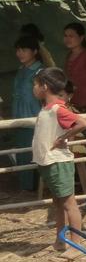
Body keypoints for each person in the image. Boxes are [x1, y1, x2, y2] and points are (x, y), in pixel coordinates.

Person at [32, 68, 86, 259]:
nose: (34, 88)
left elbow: (83, 123)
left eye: (36, 84)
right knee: (58, 203)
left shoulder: (58, 109)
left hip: (58, 162)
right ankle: (61, 239)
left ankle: (76, 244)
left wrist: (63, 137)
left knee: (69, 204)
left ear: (45, 86)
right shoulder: (46, 108)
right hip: (49, 162)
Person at [12, 35, 44, 191]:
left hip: (34, 120)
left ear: (35, 51)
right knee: (22, 154)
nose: (20, 53)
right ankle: (26, 188)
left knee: (33, 154)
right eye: (18, 50)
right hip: (19, 119)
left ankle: (35, 189)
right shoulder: (21, 70)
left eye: (24, 50)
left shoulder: (40, 72)